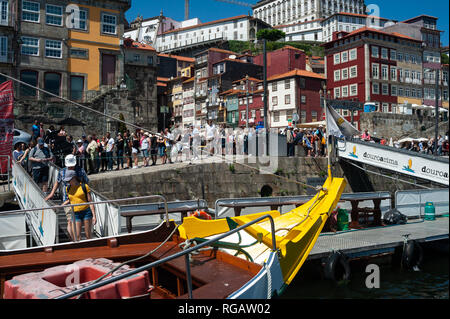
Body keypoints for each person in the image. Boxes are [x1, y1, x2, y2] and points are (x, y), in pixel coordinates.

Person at [45, 154, 89, 241]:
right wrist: (51, 193)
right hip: (67, 199)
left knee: (80, 222)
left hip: (80, 200)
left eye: (72, 166)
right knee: (70, 220)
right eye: (69, 166)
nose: (71, 167)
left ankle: (78, 239)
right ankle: (74, 240)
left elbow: (87, 182)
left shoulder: (81, 171)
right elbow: (57, 183)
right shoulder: (62, 172)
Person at [62, 169, 96, 241]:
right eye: (67, 181)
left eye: (69, 180)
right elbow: (71, 199)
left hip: (86, 212)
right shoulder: (67, 188)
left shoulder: (84, 186)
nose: (68, 182)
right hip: (75, 213)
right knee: (77, 236)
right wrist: (61, 205)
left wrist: (94, 216)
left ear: (74, 178)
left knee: (88, 235)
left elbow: (90, 201)